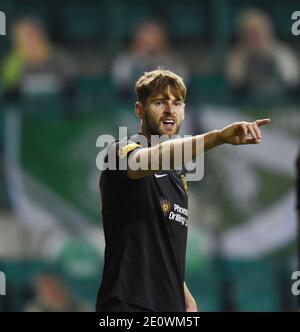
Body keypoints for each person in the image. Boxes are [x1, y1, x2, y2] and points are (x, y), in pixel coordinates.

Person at [96, 69, 271, 312]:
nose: (170, 110)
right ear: (139, 110)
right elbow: (150, 158)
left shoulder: (176, 174)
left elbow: (160, 244)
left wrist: (183, 292)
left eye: (176, 103)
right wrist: (218, 137)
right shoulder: (120, 150)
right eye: (159, 102)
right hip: (128, 304)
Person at [226, 9, 299, 99]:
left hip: (281, 105)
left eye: (259, 32)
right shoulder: (238, 57)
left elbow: (292, 82)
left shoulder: (282, 54)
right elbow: (235, 84)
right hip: (248, 106)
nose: (256, 36)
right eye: (250, 33)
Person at [111, 21, 189, 100]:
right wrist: (142, 62)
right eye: (146, 42)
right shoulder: (124, 61)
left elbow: (181, 85)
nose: (151, 47)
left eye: (156, 42)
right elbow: (122, 86)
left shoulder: (173, 61)